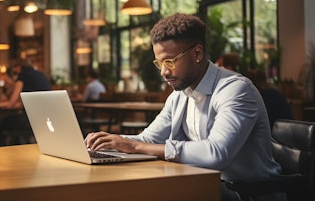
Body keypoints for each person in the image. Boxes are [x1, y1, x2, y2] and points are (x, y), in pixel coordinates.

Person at [85, 13, 284, 201]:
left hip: (248, 193)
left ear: (197, 53)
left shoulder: (235, 89)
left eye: (170, 61)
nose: (163, 71)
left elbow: (217, 154)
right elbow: (148, 140)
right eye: (160, 62)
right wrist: (109, 142)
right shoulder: (179, 95)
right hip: (206, 185)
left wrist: (135, 146)